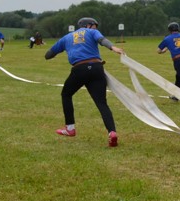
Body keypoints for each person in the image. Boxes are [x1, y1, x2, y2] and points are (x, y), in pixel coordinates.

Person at [45, 17, 124, 147]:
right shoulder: (92, 33)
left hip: (79, 69)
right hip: (97, 69)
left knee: (66, 94)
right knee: (102, 103)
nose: (95, 29)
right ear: (87, 25)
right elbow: (102, 40)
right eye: (94, 26)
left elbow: (48, 55)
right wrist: (113, 48)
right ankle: (112, 132)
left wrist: (55, 52)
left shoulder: (67, 37)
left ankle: (70, 128)